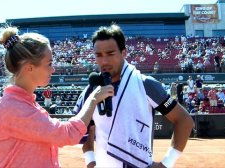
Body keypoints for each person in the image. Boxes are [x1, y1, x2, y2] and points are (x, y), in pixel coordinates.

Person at [0, 27, 114, 168]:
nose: (53, 69)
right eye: (49, 64)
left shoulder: (22, 104)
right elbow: (68, 134)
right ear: (29, 68)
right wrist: (93, 98)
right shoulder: (12, 108)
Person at [73, 24, 194, 168]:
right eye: (98, 55)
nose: (104, 61)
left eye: (110, 54)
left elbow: (184, 120)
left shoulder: (145, 85)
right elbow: (88, 129)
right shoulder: (91, 92)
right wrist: (90, 161)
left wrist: (166, 163)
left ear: (123, 53)